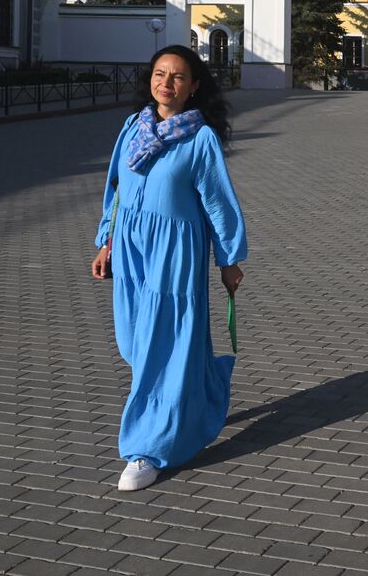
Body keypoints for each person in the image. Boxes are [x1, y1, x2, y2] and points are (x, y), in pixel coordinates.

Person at [90, 45, 247, 491]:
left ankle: (148, 449)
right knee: (136, 341)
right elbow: (116, 188)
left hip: (176, 252)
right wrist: (107, 241)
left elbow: (218, 201)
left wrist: (229, 259)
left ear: (194, 86)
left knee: (161, 344)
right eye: (160, 74)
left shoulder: (200, 139)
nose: (167, 83)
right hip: (132, 248)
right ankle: (205, 392)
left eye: (178, 76)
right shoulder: (133, 127)